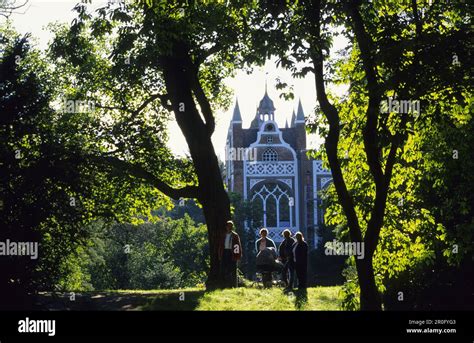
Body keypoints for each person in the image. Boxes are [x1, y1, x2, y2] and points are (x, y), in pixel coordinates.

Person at [218, 220, 242, 288]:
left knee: (232, 269)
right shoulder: (223, 235)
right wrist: (220, 255)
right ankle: (224, 284)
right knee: (223, 269)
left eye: (231, 226)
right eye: (228, 226)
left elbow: (237, 245)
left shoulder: (235, 235)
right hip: (224, 252)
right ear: (226, 227)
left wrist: (237, 255)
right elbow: (221, 245)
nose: (230, 227)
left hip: (232, 253)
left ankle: (233, 285)